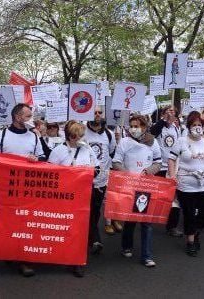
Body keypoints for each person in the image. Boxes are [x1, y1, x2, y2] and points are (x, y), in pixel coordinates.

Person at [0, 103, 43, 277]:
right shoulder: (1, 136)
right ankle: (9, 251)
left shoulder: (34, 137)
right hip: (6, 189)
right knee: (8, 224)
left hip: (28, 189)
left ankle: (25, 260)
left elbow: (42, 157)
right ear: (18, 117)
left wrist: (36, 159)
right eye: (27, 116)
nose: (30, 119)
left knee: (26, 224)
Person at [48, 120, 99, 277]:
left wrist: (87, 173)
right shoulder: (58, 151)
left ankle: (77, 261)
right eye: (80, 135)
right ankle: (60, 254)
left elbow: (96, 168)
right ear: (71, 136)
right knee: (65, 227)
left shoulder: (87, 148)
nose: (83, 138)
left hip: (83, 195)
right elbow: (51, 174)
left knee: (80, 229)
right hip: (65, 198)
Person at [168, 111, 204, 257]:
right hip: (185, 183)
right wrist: (172, 176)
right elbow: (172, 159)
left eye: (199, 125)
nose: (197, 127)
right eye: (194, 125)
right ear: (189, 126)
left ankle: (195, 231)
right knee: (189, 213)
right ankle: (191, 241)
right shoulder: (182, 141)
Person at [113, 114, 161, 267]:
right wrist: (127, 174)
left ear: (144, 127)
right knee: (130, 220)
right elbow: (116, 162)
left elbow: (158, 162)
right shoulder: (124, 142)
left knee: (146, 222)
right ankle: (127, 246)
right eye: (131, 126)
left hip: (146, 186)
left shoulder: (153, 142)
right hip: (129, 185)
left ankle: (146, 256)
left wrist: (149, 170)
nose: (133, 129)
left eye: (137, 126)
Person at [84, 107, 117, 248]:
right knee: (85, 210)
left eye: (99, 112)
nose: (97, 115)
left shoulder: (109, 134)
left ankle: (91, 235)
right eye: (94, 112)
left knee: (96, 210)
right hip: (84, 180)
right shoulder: (81, 132)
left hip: (101, 180)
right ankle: (93, 238)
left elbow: (111, 153)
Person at [150, 106, 184, 237]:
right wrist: (163, 121)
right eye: (168, 111)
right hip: (158, 166)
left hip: (171, 168)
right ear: (163, 114)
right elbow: (152, 134)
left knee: (174, 198)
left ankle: (172, 226)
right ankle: (148, 220)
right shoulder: (158, 126)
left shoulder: (176, 128)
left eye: (173, 111)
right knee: (154, 196)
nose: (171, 113)